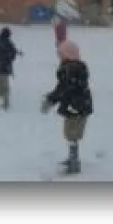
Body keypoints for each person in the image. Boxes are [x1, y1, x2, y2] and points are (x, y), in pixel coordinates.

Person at [41, 40, 94, 175]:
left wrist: (50, 100)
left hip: (75, 106)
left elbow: (64, 88)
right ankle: (72, 158)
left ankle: (74, 163)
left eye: (61, 54)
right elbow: (66, 87)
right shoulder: (78, 66)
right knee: (72, 135)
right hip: (80, 105)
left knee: (72, 135)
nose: (59, 56)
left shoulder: (69, 69)